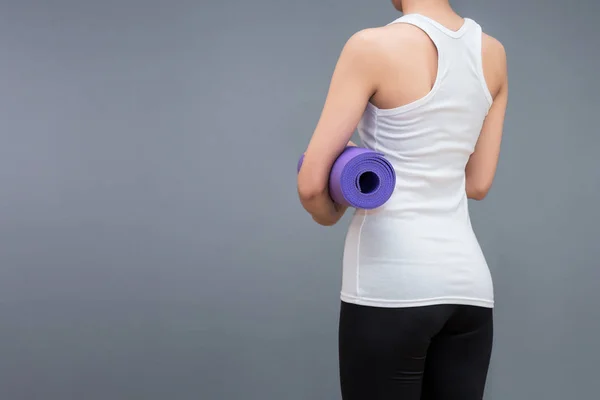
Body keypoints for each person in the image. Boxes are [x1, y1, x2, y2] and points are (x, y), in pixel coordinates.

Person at [297, 0, 508, 399]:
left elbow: (311, 186)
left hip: (390, 283)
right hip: (469, 289)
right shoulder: (493, 53)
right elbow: (478, 183)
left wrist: (330, 210)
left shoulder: (371, 46)